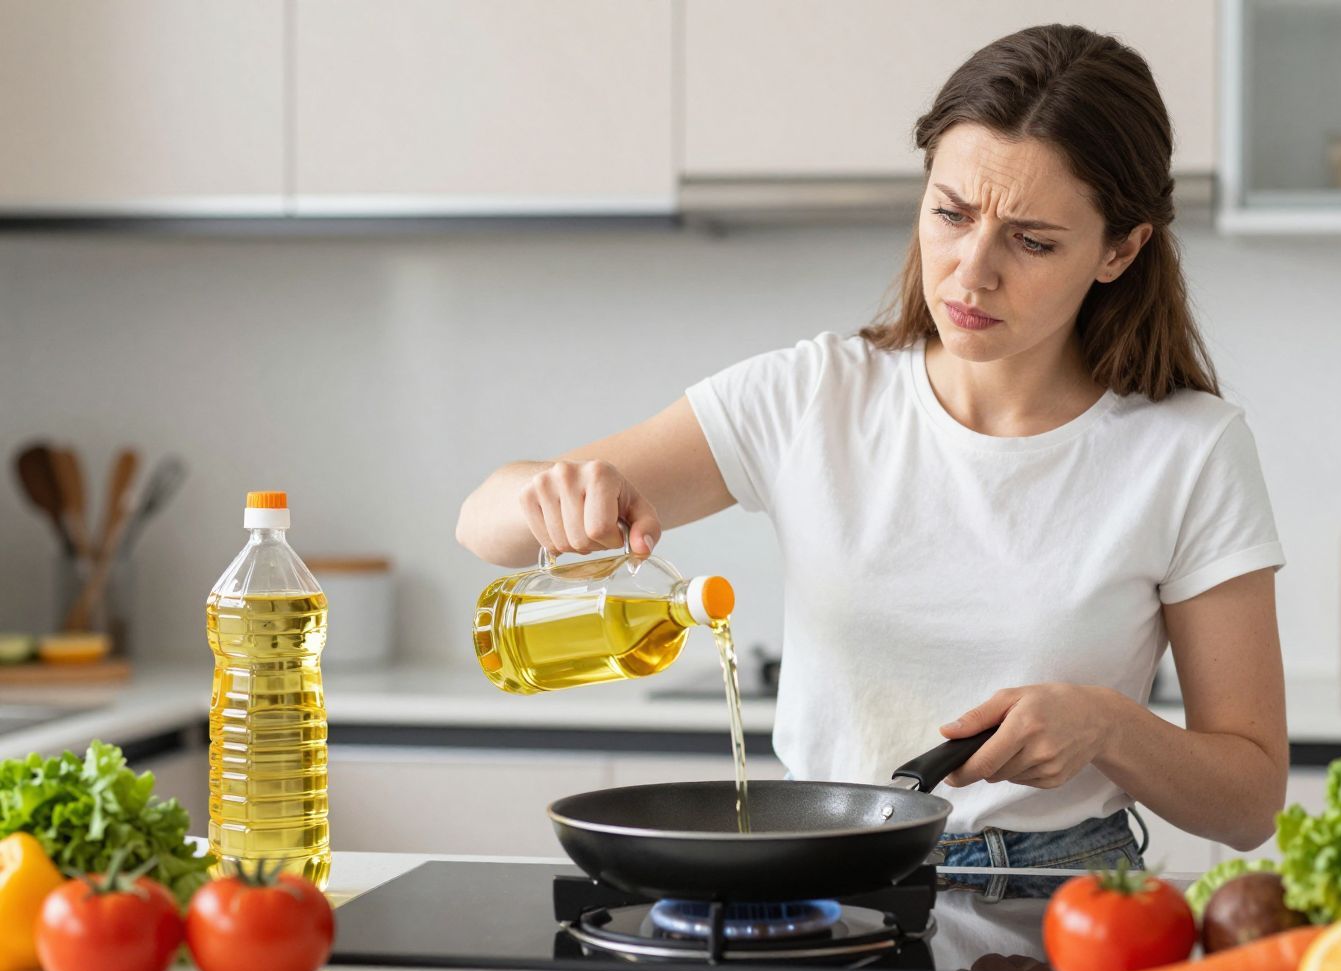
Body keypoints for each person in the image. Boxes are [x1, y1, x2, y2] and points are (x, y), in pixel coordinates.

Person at [457, 24, 1288, 887]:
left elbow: (1249, 803)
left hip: (1064, 894)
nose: (971, 273)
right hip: (818, 879)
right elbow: (483, 522)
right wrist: (552, 496)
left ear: (1120, 249)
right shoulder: (811, 397)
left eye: (1033, 241)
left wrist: (1112, 727)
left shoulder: (1191, 450)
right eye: (951, 215)